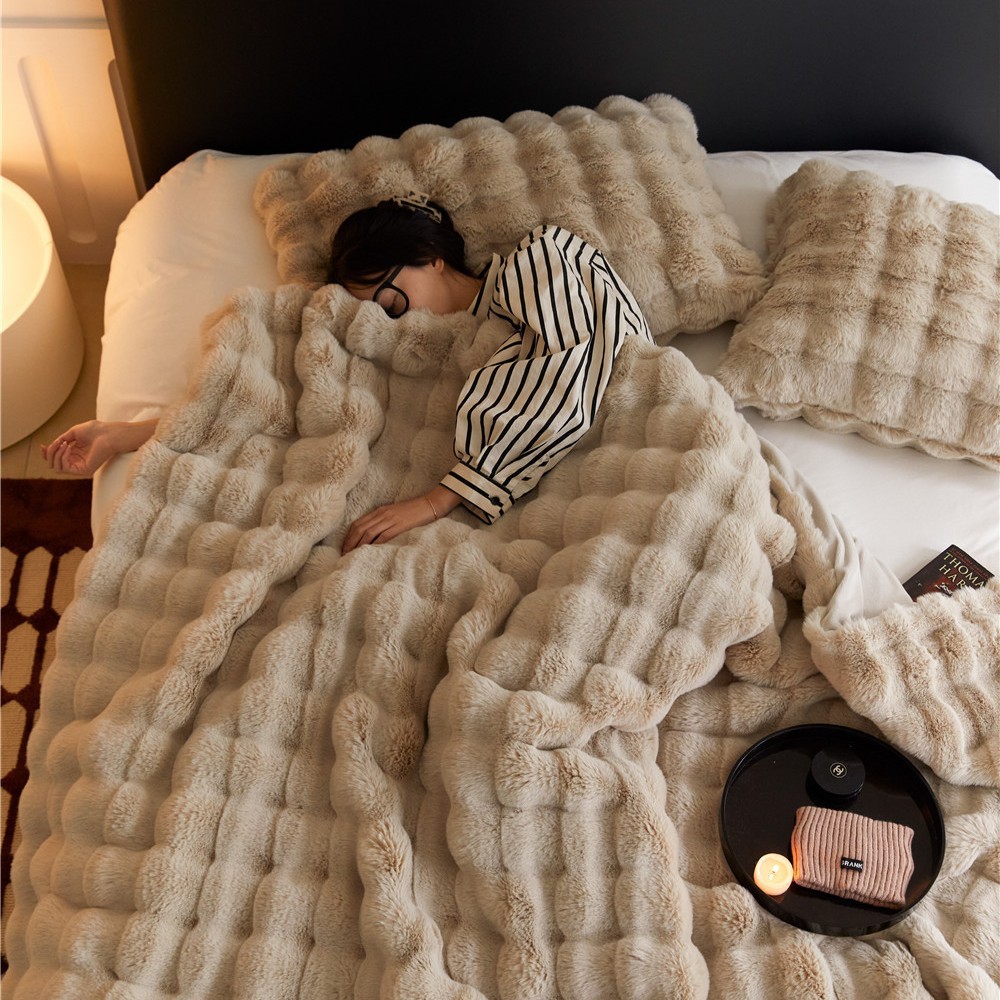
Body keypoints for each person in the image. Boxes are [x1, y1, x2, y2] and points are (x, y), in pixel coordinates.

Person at [43, 193, 652, 554]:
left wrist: (438, 499)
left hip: (627, 449)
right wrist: (128, 432)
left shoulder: (540, 259)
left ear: (431, 258)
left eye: (388, 294)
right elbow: (278, 404)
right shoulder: (402, 348)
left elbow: (578, 365)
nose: (388, 316)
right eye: (373, 309)